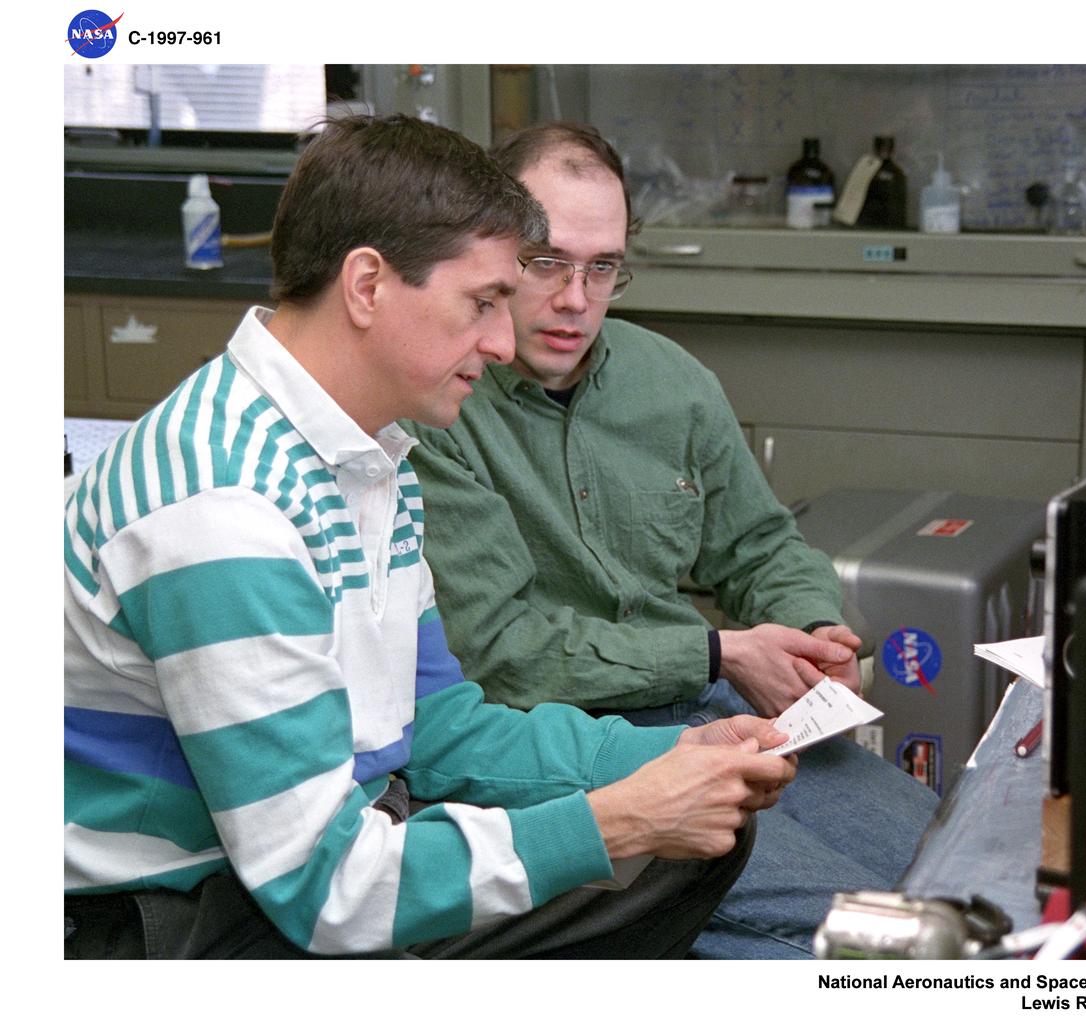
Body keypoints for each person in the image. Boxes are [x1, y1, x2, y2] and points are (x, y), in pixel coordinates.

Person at [63, 115, 798, 960]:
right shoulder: (223, 515)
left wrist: (672, 752)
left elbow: (439, 727)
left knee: (691, 843)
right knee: (639, 838)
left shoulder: (369, 455)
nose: (499, 339)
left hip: (311, 849)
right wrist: (619, 814)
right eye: (482, 302)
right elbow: (325, 889)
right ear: (368, 285)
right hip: (174, 914)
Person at [403, 122, 941, 959]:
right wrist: (719, 654)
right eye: (546, 263)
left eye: (604, 267)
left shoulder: (673, 383)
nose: (577, 298)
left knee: (953, 868)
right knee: (863, 936)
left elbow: (762, 544)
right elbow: (499, 653)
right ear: (494, 253)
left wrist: (810, 631)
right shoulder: (440, 403)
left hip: (710, 704)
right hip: (549, 741)